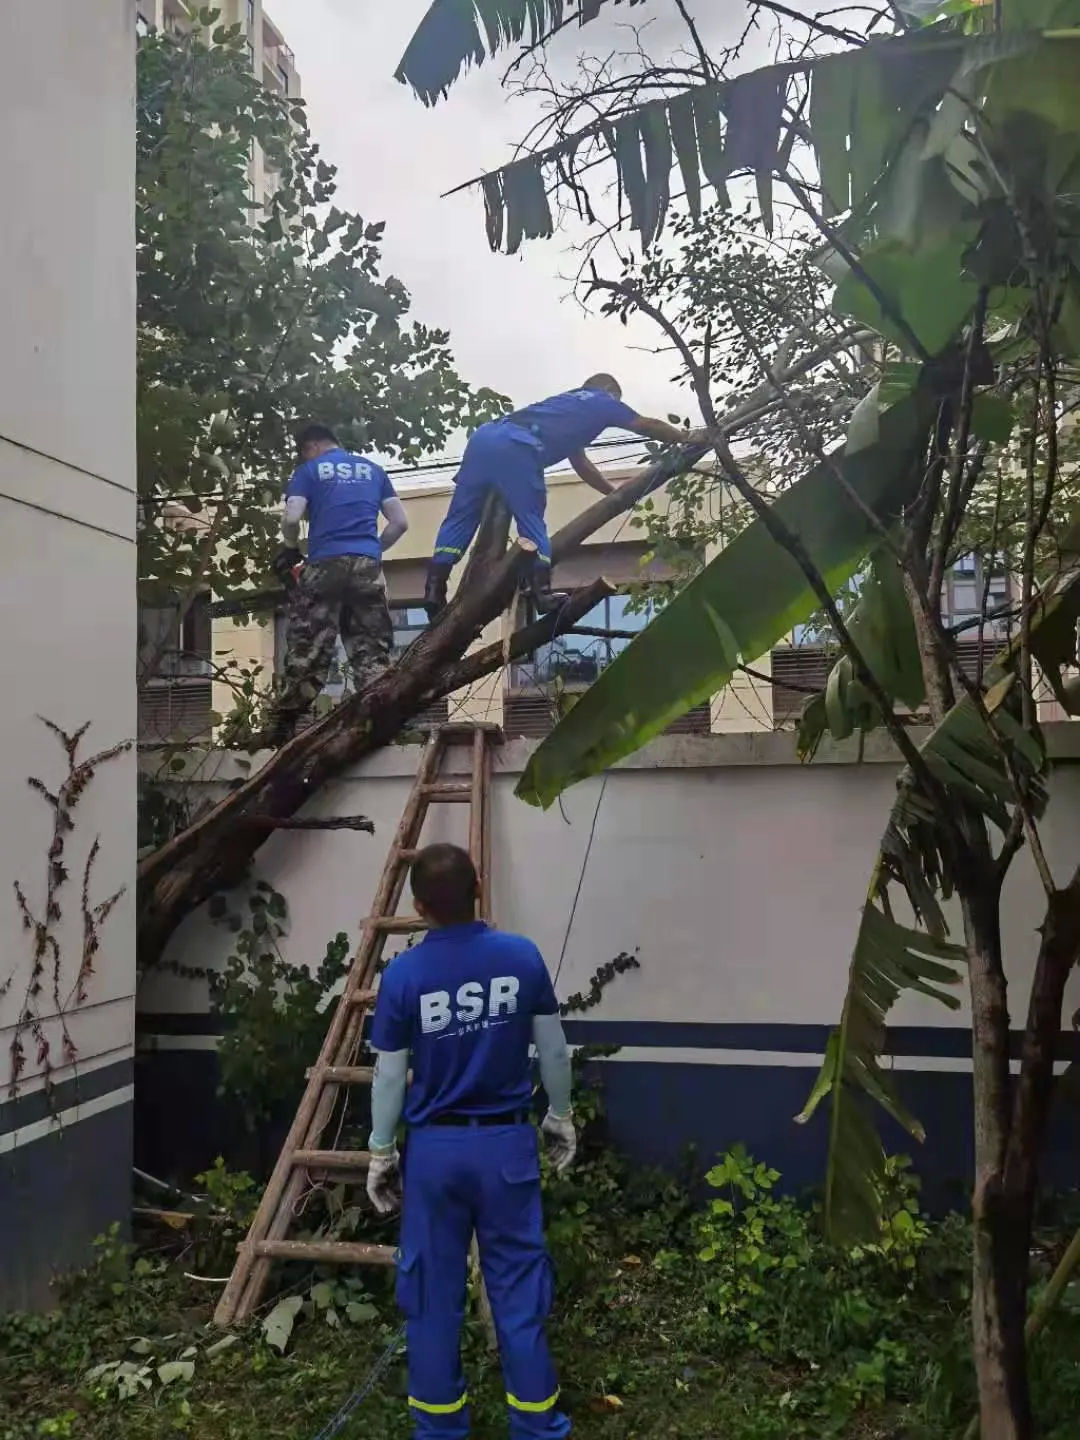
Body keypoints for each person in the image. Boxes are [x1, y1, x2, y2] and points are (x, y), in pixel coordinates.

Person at [366, 843, 576, 1439]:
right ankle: (538, 1428)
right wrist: (560, 1115)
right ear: (479, 888)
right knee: (517, 1292)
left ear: (418, 906)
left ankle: (439, 1431)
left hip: (434, 1152)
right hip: (506, 1148)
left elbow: (388, 1074)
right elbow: (555, 1050)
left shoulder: (404, 974)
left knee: (431, 1295)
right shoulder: (521, 957)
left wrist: (382, 1151)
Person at [424, 373, 706, 620]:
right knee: (531, 518)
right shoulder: (602, 400)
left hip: (483, 438)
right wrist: (685, 437)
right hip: (516, 445)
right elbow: (645, 424)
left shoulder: (566, 404)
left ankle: (433, 590)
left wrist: (611, 492)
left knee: (461, 517)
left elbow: (580, 462)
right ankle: (542, 594)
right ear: (610, 391)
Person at [269, 423, 409, 744]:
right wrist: (372, 549)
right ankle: (384, 727)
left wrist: (291, 547)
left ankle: (281, 728)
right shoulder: (374, 470)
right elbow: (400, 523)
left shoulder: (309, 470)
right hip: (367, 566)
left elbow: (291, 518)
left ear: (310, 447)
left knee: (309, 647)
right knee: (372, 653)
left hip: (324, 564)